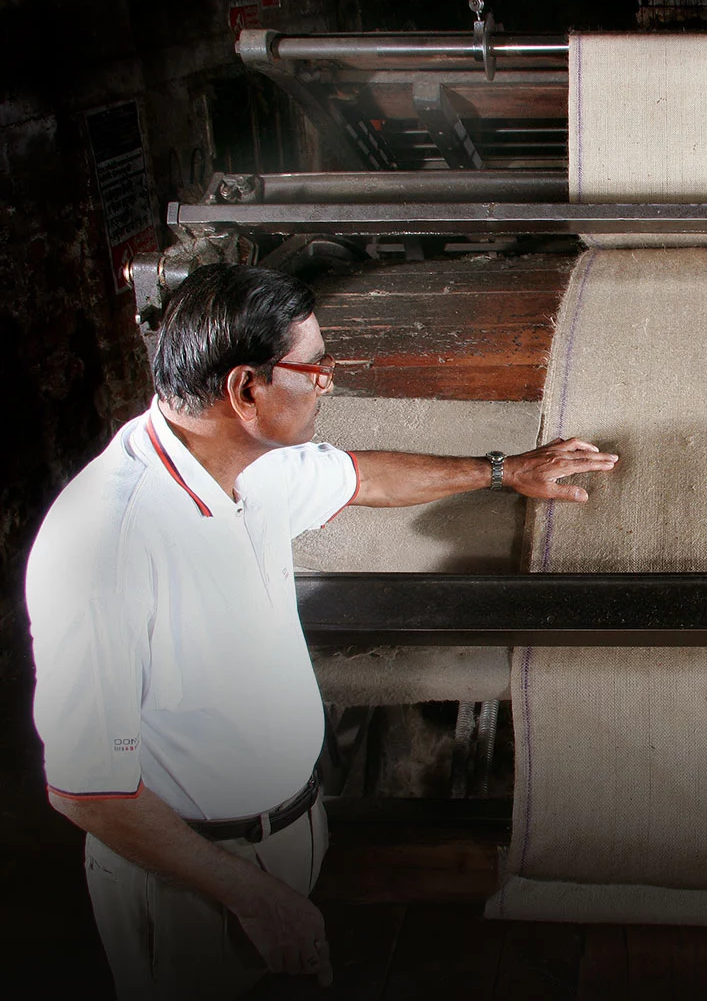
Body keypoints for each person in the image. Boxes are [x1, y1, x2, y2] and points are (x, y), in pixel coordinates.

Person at [25, 264, 618, 999]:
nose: (328, 386)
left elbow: (362, 477)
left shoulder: (251, 462)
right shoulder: (105, 548)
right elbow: (89, 789)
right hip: (191, 880)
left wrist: (505, 471)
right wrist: (251, 895)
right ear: (246, 390)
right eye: (316, 370)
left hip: (287, 833)